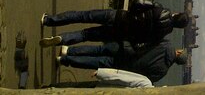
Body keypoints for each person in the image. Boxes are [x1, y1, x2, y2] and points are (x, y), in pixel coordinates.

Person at [41, 2, 189, 48]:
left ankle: (48, 21)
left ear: (176, 14)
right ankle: (61, 39)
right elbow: (141, 45)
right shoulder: (162, 35)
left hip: (118, 16)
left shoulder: (161, 9)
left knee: (83, 15)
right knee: (85, 35)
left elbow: (138, 1)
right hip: (120, 33)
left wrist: (131, 13)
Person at [56, 39, 187, 83]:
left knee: (99, 50)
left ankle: (68, 51)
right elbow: (144, 78)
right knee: (96, 63)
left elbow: (148, 40)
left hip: (125, 50)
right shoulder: (162, 71)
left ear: (179, 52)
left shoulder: (166, 45)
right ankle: (64, 60)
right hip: (125, 67)